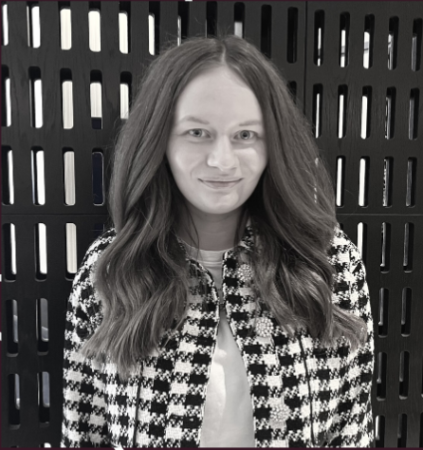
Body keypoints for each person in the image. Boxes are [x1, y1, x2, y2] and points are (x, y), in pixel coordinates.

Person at [60, 34, 375, 448]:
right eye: (197, 132)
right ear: (160, 140)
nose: (222, 160)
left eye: (245, 135)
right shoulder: (110, 270)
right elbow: (84, 435)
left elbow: (353, 433)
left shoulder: (328, 262)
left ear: (271, 144)